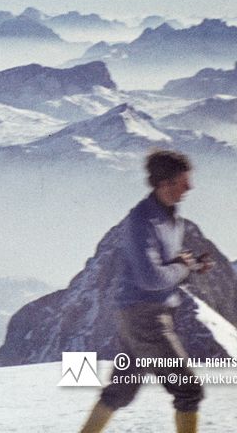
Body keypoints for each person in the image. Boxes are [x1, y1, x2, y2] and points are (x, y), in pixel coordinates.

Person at [79, 149, 215, 433]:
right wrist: (184, 268)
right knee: (189, 389)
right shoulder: (143, 222)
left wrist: (191, 267)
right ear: (165, 183)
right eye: (183, 181)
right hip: (145, 319)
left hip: (142, 315)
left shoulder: (168, 219)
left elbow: (165, 270)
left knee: (120, 391)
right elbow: (151, 278)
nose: (190, 187)